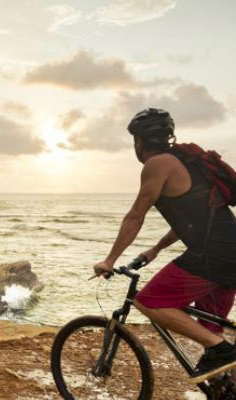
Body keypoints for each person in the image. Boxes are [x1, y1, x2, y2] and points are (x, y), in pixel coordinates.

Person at [93, 108, 236, 383]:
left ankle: (224, 351)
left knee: (150, 302)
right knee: (209, 329)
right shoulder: (186, 161)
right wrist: (156, 249)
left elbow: (136, 216)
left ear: (139, 141)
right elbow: (195, 219)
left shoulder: (157, 164)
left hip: (214, 256)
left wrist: (109, 260)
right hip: (228, 253)